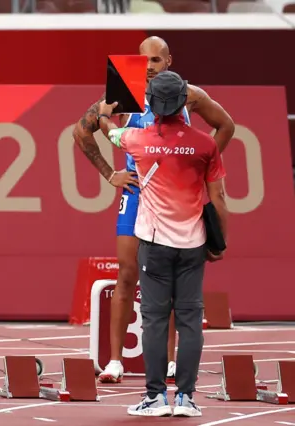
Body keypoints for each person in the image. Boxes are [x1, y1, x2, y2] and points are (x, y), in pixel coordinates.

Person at [72, 36, 234, 384]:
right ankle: (115, 361)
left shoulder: (187, 94)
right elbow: (81, 131)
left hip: (176, 195)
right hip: (137, 192)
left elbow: (226, 125)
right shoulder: (122, 94)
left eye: (156, 61)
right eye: (143, 61)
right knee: (128, 274)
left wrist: (200, 164)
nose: (148, 67)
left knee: (173, 281)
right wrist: (109, 173)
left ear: (169, 61)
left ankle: (173, 361)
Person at [100, 70, 229, 417]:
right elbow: (218, 198)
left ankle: (155, 397)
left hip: (154, 245)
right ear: (183, 104)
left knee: (154, 319)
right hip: (193, 246)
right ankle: (186, 397)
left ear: (154, 105)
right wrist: (220, 244)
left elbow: (110, 132)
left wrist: (101, 114)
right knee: (189, 320)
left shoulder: (138, 140)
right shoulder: (206, 144)